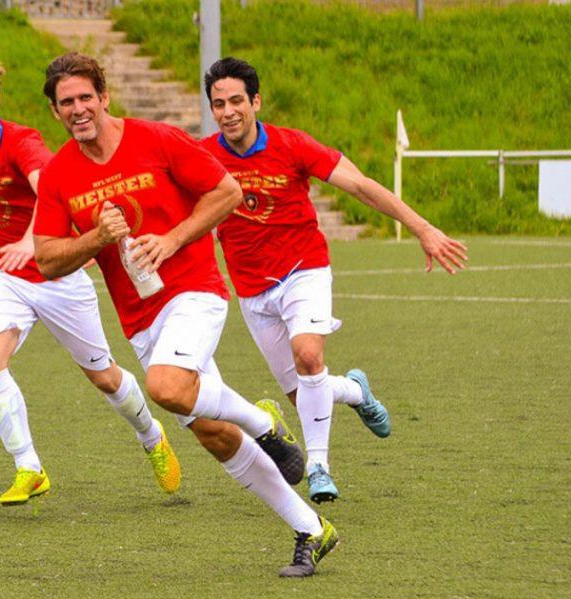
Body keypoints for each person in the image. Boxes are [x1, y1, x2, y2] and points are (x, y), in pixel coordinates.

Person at [34, 51, 337, 578]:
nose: (78, 109)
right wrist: (94, 239)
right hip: (140, 318)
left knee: (167, 386)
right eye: (66, 103)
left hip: (195, 291)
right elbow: (45, 258)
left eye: (86, 97)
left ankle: (265, 422)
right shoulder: (60, 173)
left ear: (104, 98)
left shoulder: (157, 139)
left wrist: (172, 240)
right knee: (212, 433)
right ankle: (312, 529)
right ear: (56, 112)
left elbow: (228, 191)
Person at [201, 57, 469, 503]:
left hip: (303, 269)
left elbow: (361, 186)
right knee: (304, 394)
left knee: (308, 356)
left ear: (255, 102)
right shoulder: (205, 156)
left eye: (235, 101)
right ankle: (355, 390)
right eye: (218, 104)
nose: (227, 111)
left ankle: (319, 467)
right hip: (251, 289)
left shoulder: (293, 145)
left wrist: (423, 228)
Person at [0, 58, 180, 507]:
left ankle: (151, 435)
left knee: (103, 377)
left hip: (59, 274)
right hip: (4, 278)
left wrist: (28, 241)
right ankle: (29, 468)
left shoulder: (22, 142)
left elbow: (49, 187)